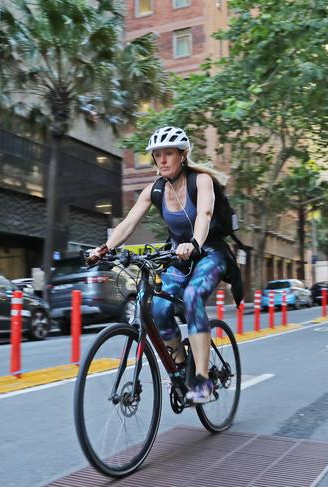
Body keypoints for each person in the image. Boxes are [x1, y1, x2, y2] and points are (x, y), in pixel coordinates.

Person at [88, 126, 241, 403]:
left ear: (182, 155)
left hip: (209, 253)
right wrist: (105, 249)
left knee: (193, 296)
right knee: (157, 308)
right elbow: (128, 223)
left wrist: (194, 243)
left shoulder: (201, 181)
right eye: (157, 155)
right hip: (176, 256)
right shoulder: (155, 190)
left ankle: (203, 381)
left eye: (168, 153)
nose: (162, 160)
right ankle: (182, 369)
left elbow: (204, 214)